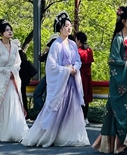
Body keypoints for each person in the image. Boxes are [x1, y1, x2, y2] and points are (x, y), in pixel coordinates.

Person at [22, 12, 90, 147]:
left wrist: (75, 68)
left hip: (71, 81)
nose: (69, 28)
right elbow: (51, 66)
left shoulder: (72, 44)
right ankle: (50, 134)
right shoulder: (56, 45)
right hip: (61, 82)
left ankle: (67, 135)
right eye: (66, 26)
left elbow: (78, 60)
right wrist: (67, 70)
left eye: (70, 26)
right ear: (60, 28)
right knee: (57, 109)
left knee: (71, 109)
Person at [93, 6, 127, 155]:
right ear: (123, 21)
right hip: (121, 81)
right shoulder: (118, 39)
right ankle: (119, 145)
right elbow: (113, 60)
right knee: (119, 111)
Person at [75, 32, 93, 126]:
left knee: (79, 96)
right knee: (86, 97)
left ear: (78, 40)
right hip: (88, 76)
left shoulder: (78, 51)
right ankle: (85, 117)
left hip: (80, 75)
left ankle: (79, 117)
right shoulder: (89, 50)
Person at [18, 46, 37, 115]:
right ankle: (25, 112)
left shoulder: (17, 55)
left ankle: (21, 112)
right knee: (23, 95)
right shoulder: (23, 55)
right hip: (24, 80)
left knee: (19, 96)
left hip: (19, 79)